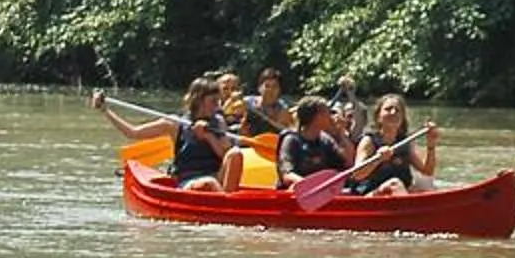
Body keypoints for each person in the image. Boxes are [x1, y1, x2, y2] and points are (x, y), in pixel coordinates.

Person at [91, 78, 248, 192]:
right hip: (189, 181)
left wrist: (209, 137)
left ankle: (227, 202)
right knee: (207, 184)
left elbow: (224, 155)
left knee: (235, 153)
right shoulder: (174, 124)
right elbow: (133, 132)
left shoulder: (218, 122)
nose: (217, 106)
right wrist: (105, 110)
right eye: (213, 101)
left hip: (217, 178)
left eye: (218, 101)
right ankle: (224, 204)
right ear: (199, 100)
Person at [345, 92, 442, 196]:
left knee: (425, 183)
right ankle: (412, 208)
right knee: (394, 184)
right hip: (371, 195)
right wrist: (378, 159)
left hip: (398, 195)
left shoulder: (406, 141)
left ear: (402, 117)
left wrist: (431, 144)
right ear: (378, 117)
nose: (393, 112)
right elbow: (357, 174)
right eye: (388, 109)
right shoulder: (369, 141)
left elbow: (427, 171)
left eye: (397, 110)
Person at [277, 95, 354, 186]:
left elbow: (347, 165)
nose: (331, 117)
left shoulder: (325, 141)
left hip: (319, 194)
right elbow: (287, 175)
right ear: (316, 117)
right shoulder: (291, 140)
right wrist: (309, 185)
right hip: (295, 194)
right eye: (327, 113)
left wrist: (340, 133)